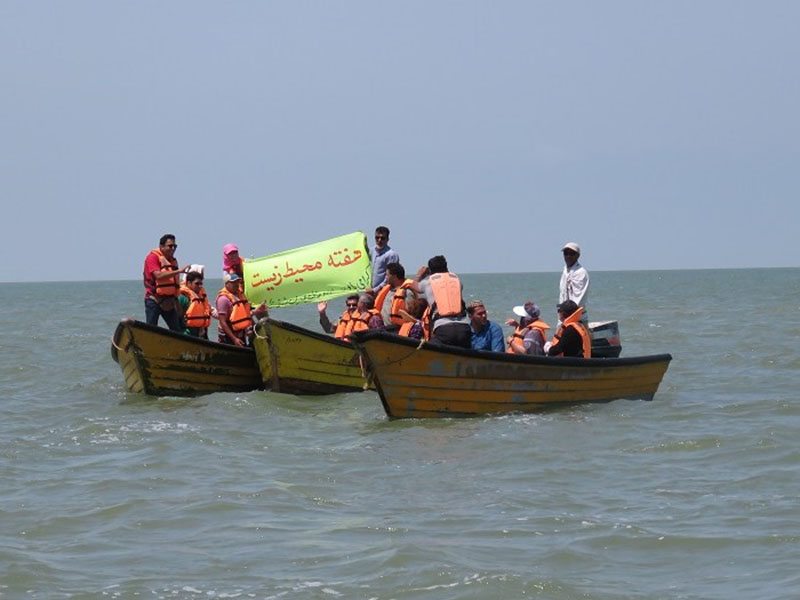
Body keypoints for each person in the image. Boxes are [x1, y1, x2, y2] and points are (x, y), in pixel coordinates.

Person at [412, 255, 471, 349]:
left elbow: (414, 287)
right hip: (464, 328)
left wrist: (420, 275)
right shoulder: (457, 280)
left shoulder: (428, 282)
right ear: (446, 266)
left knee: (428, 350)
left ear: (430, 270)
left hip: (444, 329)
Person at [142, 234, 191, 331]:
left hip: (169, 301)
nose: (173, 248)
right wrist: (179, 271)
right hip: (154, 299)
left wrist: (176, 301)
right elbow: (158, 276)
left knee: (176, 329)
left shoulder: (172, 261)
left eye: (174, 246)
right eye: (170, 246)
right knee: (151, 329)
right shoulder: (152, 258)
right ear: (161, 246)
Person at [215, 272, 267, 346]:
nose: (236, 284)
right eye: (233, 282)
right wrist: (234, 339)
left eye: (237, 282)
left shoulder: (240, 296)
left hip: (241, 333)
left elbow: (243, 315)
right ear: (227, 284)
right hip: (228, 337)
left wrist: (257, 311)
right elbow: (222, 322)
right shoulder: (223, 299)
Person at [373, 262, 414, 332]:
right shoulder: (386, 291)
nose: (385, 277)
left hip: (397, 330)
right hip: (384, 329)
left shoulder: (407, 293)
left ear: (394, 277)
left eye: (387, 275)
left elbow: (411, 314)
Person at [559, 242, 589, 323]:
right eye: (566, 253)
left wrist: (567, 316)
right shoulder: (565, 270)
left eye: (571, 254)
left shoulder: (580, 272)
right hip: (564, 317)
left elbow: (577, 298)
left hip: (577, 318)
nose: (568, 256)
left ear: (578, 256)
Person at [178, 271, 212, 338]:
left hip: (201, 334)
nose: (200, 286)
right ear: (189, 283)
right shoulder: (182, 298)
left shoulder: (201, 298)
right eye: (197, 284)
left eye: (201, 284)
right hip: (187, 334)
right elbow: (176, 319)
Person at [370, 226, 399, 291]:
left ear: (387, 239)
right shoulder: (371, 251)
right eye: (377, 238)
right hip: (370, 290)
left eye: (382, 238)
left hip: (384, 291)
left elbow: (390, 276)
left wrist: (375, 290)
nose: (379, 240)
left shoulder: (391, 255)